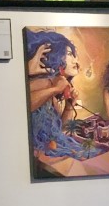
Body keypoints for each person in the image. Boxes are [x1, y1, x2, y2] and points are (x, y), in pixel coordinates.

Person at [25, 30, 102, 160]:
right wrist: (55, 89)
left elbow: (59, 132)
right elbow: (25, 104)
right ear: (57, 55)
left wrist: (68, 107)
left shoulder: (52, 91)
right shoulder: (44, 83)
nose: (76, 61)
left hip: (51, 151)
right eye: (70, 54)